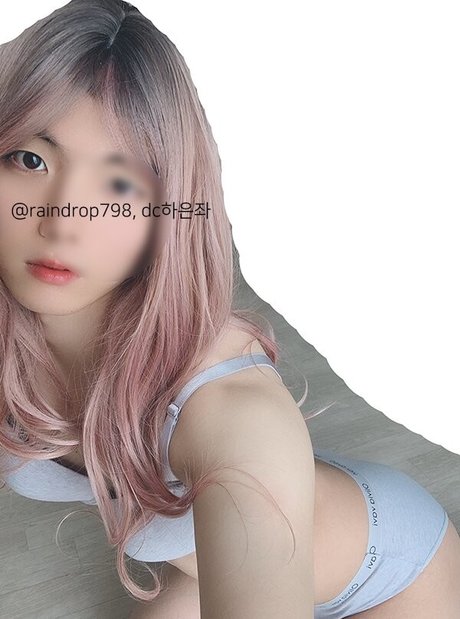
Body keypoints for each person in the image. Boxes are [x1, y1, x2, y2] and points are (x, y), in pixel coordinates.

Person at [0, 1, 459, 617]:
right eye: (31, 160)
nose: (61, 222)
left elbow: (246, 447)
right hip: (211, 569)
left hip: (390, 574)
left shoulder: (234, 416)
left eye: (119, 184)